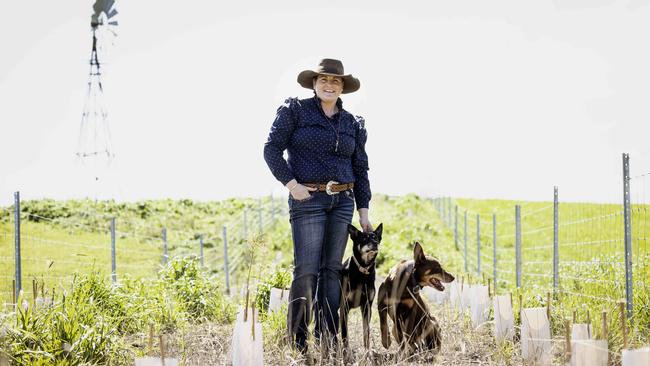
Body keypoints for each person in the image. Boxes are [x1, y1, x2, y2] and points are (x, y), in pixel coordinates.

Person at [263, 58, 372, 352]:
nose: (329, 84)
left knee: (332, 270)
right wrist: (292, 185)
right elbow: (271, 149)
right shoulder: (294, 111)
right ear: (313, 83)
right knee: (307, 270)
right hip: (307, 199)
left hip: (343, 201)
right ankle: (299, 341)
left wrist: (363, 211)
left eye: (335, 81)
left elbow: (360, 167)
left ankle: (328, 337)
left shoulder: (352, 123)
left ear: (343, 87)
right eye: (323, 79)